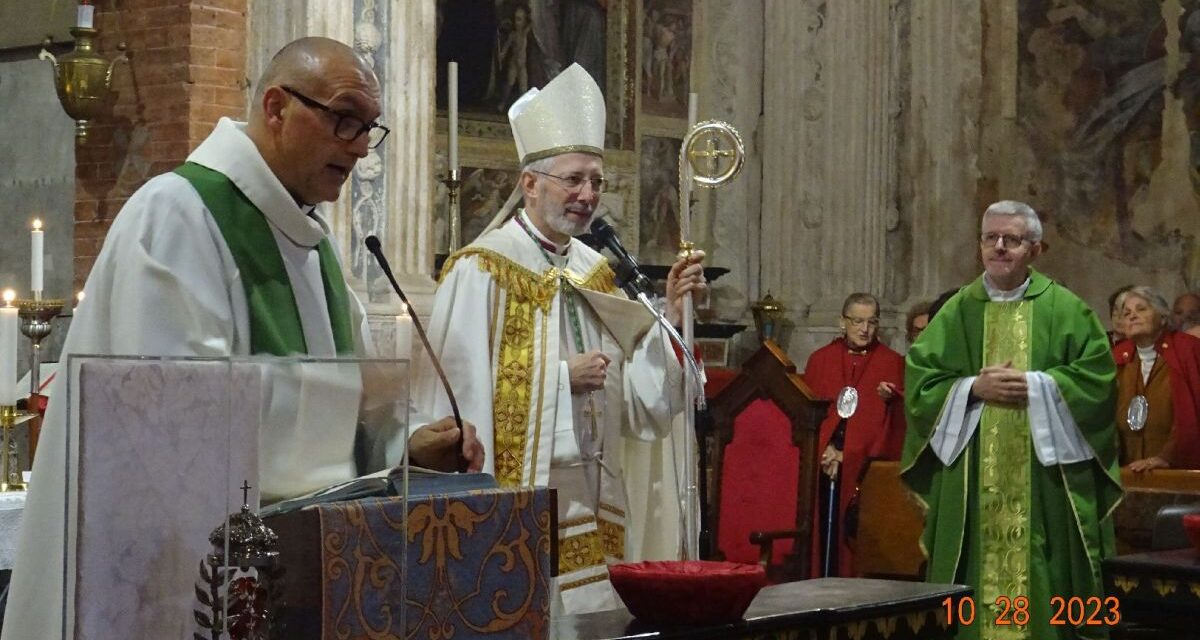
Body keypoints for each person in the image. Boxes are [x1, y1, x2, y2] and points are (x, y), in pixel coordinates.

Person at [2, 37, 483, 639]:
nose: (360, 147)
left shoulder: (315, 245)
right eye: (344, 120)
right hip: (187, 585)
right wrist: (362, 390)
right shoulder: (177, 215)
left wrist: (406, 452)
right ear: (277, 108)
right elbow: (174, 422)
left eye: (368, 128)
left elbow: (342, 431)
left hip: (303, 577)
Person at [415, 63, 705, 615]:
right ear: (530, 183)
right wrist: (558, 377)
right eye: (573, 179)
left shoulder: (596, 271)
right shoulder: (483, 270)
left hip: (594, 494)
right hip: (524, 496)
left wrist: (670, 312)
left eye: (596, 181)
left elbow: (640, 404)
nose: (587, 194)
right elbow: (455, 397)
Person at [901, 201, 1121, 640]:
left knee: (1046, 568)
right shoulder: (957, 310)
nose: (999, 247)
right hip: (972, 480)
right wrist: (971, 390)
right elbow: (922, 383)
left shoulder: (1066, 309)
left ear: (1036, 249)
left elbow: (1098, 381)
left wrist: (1037, 386)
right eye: (990, 238)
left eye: (1012, 239)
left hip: (1044, 484)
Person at [803, 293, 905, 577]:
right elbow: (807, 417)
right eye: (857, 321)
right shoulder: (820, 360)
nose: (864, 329)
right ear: (842, 322)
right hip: (823, 463)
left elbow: (891, 427)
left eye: (872, 322)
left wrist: (850, 454)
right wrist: (824, 449)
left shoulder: (892, 362)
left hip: (864, 470)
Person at [1112, 286, 1200, 471]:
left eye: (1141, 309)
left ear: (1163, 317)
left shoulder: (1188, 350)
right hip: (1129, 470)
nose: (1132, 316)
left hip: (1179, 472)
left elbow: (1193, 411)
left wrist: (1167, 457)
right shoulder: (1117, 357)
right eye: (1126, 313)